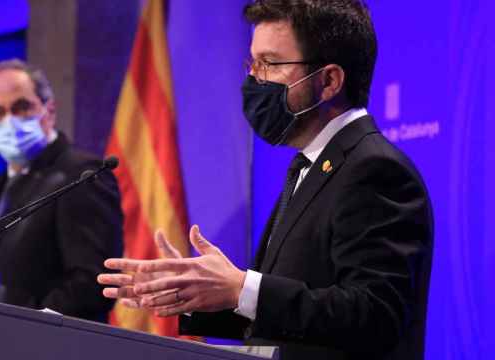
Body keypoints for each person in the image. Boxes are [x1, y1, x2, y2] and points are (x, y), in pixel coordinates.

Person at [97, 0, 433, 358]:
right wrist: (192, 294)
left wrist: (243, 287)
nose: (255, 79)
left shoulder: (375, 170)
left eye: (270, 63)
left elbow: (375, 315)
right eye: (253, 63)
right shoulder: (309, 166)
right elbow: (291, 318)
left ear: (329, 80)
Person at [0, 59, 123, 323]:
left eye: (22, 107)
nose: (10, 121)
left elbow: (93, 282)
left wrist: (24, 322)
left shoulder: (82, 175)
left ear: (50, 110)